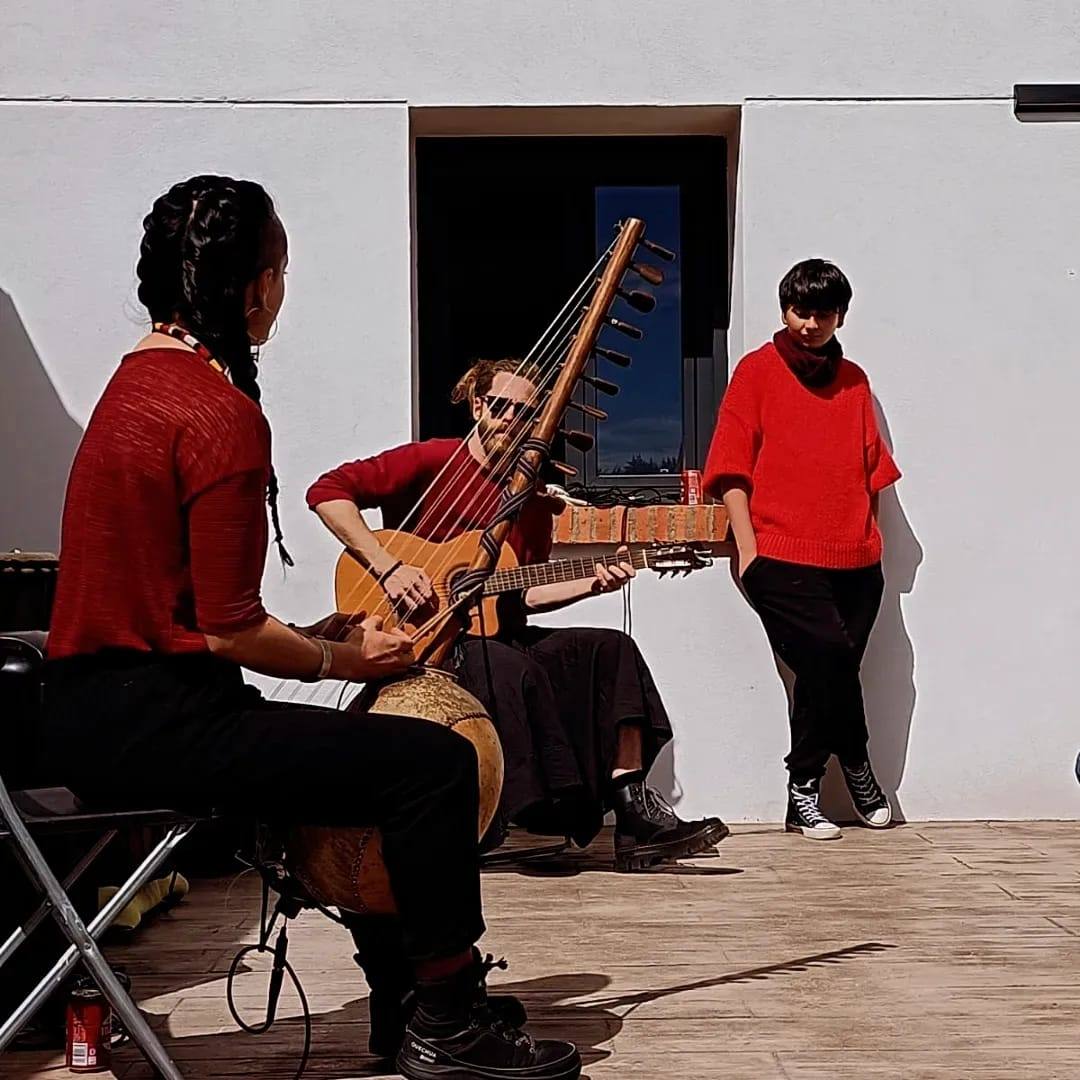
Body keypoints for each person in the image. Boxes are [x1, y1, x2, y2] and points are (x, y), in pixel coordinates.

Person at [38, 175, 580, 1080]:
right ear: (251, 286)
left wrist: (315, 629)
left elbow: (190, 611)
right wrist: (341, 650)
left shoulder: (134, 384)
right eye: (281, 269)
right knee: (431, 764)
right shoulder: (216, 412)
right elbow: (225, 630)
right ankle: (445, 1016)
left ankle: (408, 1001)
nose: (282, 291)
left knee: (361, 752)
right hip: (153, 723)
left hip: (98, 708)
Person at [306, 358, 729, 871]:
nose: (513, 420)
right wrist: (389, 566)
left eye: (527, 414)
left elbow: (519, 594)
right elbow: (326, 493)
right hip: (429, 639)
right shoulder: (434, 459)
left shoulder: (526, 500)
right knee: (507, 666)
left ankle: (634, 813)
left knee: (610, 648)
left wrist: (592, 582)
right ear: (479, 406)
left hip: (495, 631)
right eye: (503, 407)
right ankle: (536, 810)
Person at [702, 258, 901, 841]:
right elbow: (731, 464)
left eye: (823, 313)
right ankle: (859, 767)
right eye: (799, 311)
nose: (810, 324)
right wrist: (748, 548)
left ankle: (804, 792)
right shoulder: (756, 372)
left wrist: (873, 542)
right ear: (784, 309)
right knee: (832, 662)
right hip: (781, 555)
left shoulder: (856, 381)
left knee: (824, 674)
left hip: (858, 562)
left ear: (840, 316)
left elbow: (871, 471)